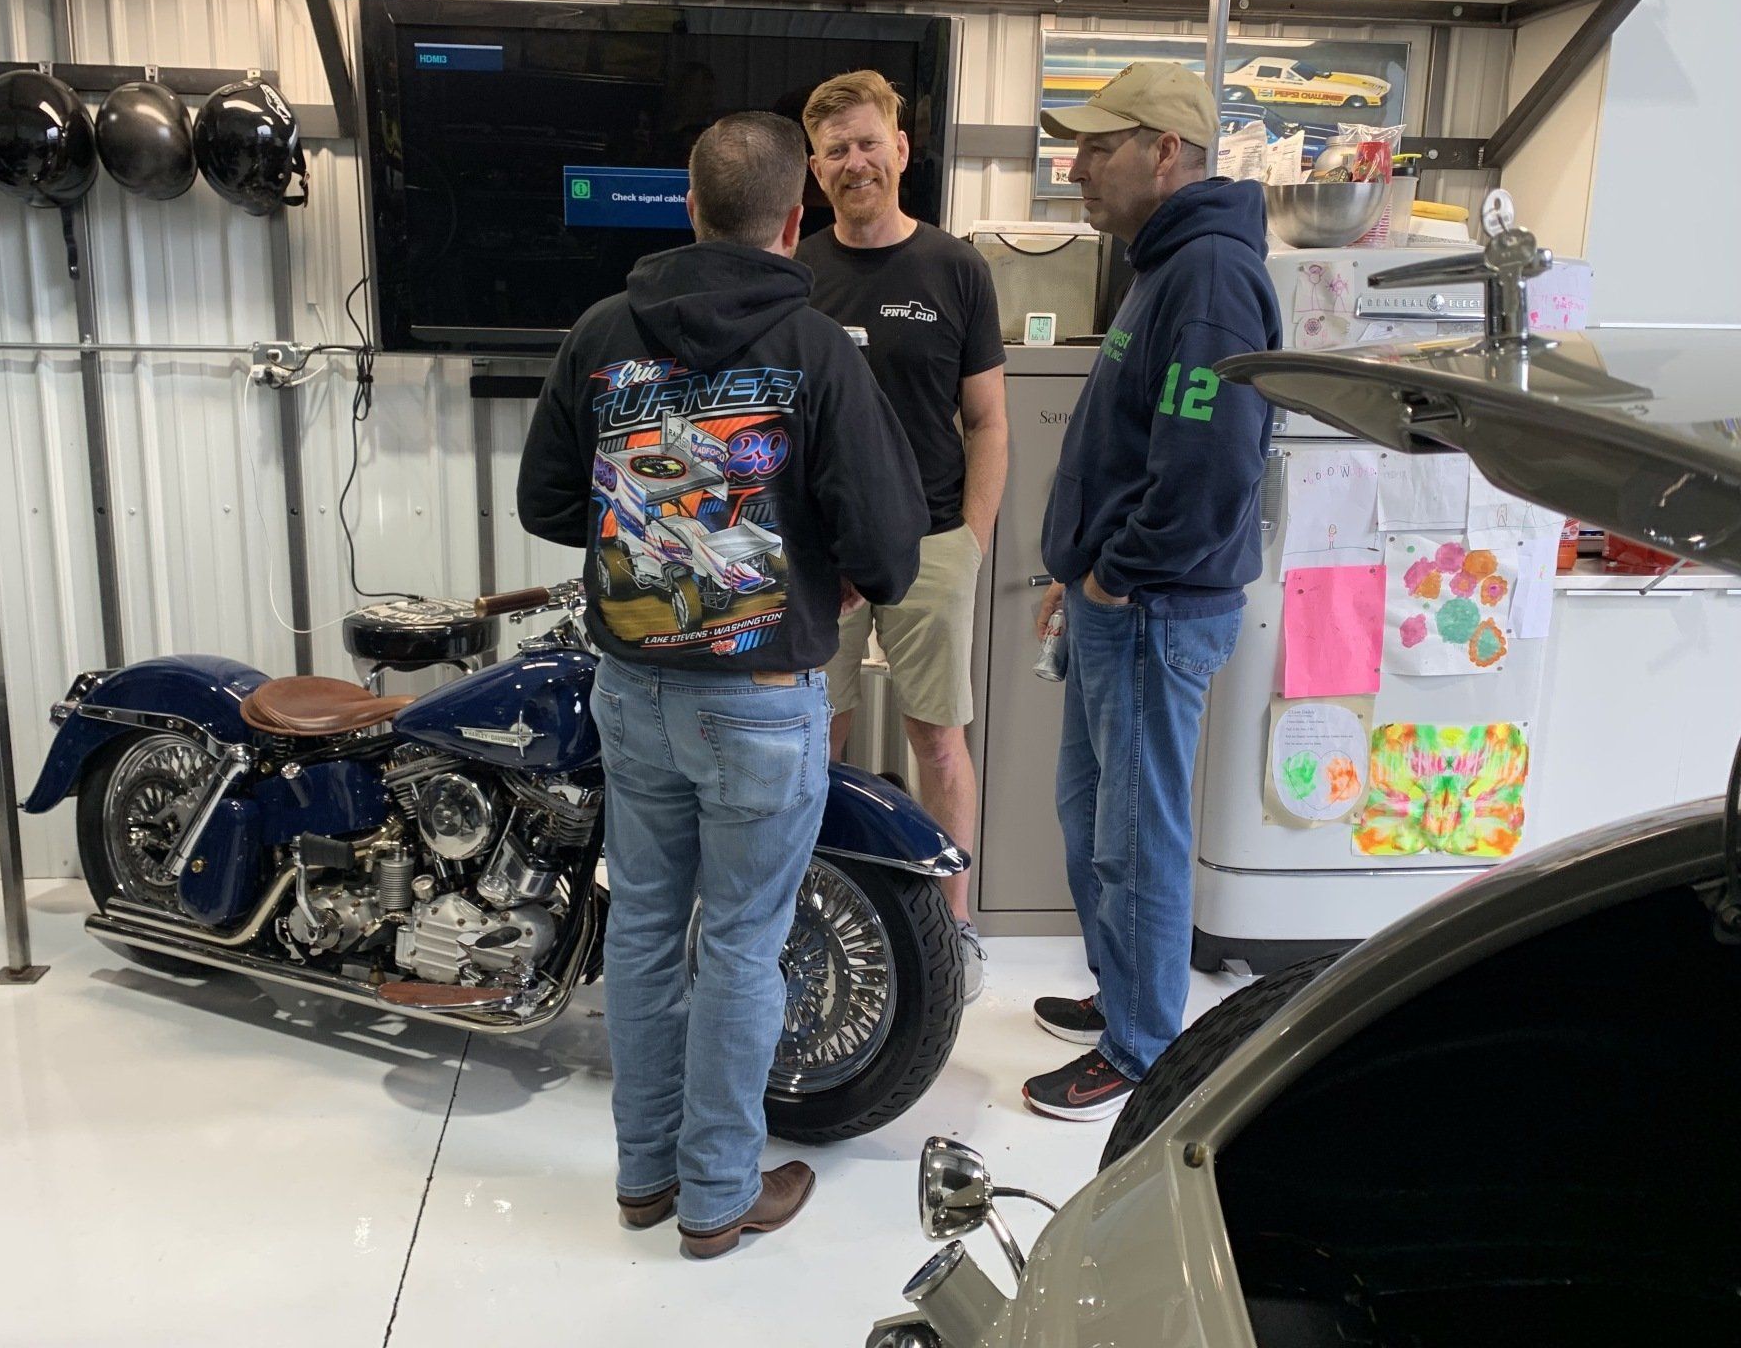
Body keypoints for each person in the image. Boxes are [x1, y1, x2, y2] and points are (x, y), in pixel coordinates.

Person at [516, 112, 927, 1254]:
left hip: (632, 688)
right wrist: (820, 572)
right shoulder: (817, 351)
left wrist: (642, 535)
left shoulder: (602, 333)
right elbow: (891, 548)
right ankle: (719, 1195)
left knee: (644, 930)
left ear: (688, 208)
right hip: (760, 698)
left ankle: (645, 1180)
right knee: (744, 942)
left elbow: (546, 504)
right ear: (793, 221)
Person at [1021, 62, 1281, 1121]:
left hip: (1150, 607)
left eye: (1097, 147)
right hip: (1113, 601)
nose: (1076, 167)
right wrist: (1071, 574)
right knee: (1091, 817)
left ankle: (1141, 1053)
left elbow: (1212, 461)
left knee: (1135, 831)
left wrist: (1116, 573)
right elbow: (1135, 447)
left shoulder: (1210, 274)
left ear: (1164, 151)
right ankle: (1127, 995)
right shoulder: (1164, 266)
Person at [796, 70, 1009, 1001]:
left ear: (901, 150)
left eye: (868, 143)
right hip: (824, 556)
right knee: (815, 742)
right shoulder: (798, 270)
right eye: (836, 150)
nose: (855, 163)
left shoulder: (957, 269)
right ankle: (813, 911)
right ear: (813, 168)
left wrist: (973, 539)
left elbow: (989, 424)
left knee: (940, 744)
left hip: (931, 544)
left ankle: (954, 929)